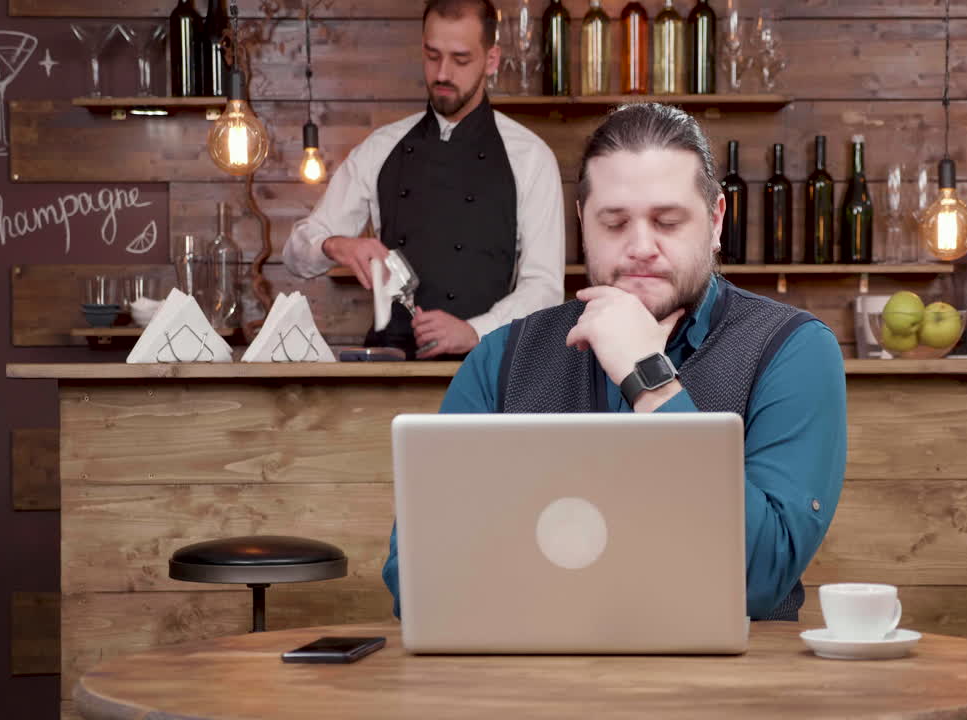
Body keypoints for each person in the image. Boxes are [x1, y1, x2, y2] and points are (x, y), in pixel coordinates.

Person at [384, 103, 847, 621]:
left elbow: (760, 577)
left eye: (668, 221)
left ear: (716, 222)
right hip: (533, 687)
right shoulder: (500, 359)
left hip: (728, 693)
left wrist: (649, 379)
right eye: (615, 222)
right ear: (583, 222)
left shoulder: (793, 351)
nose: (641, 246)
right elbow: (416, 578)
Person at [283, 0, 565, 358]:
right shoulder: (381, 148)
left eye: (461, 59)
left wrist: (476, 331)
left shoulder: (530, 157)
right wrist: (336, 245)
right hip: (389, 370)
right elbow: (295, 253)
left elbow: (545, 289)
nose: (443, 73)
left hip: (486, 369)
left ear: (491, 60)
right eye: (433, 56)